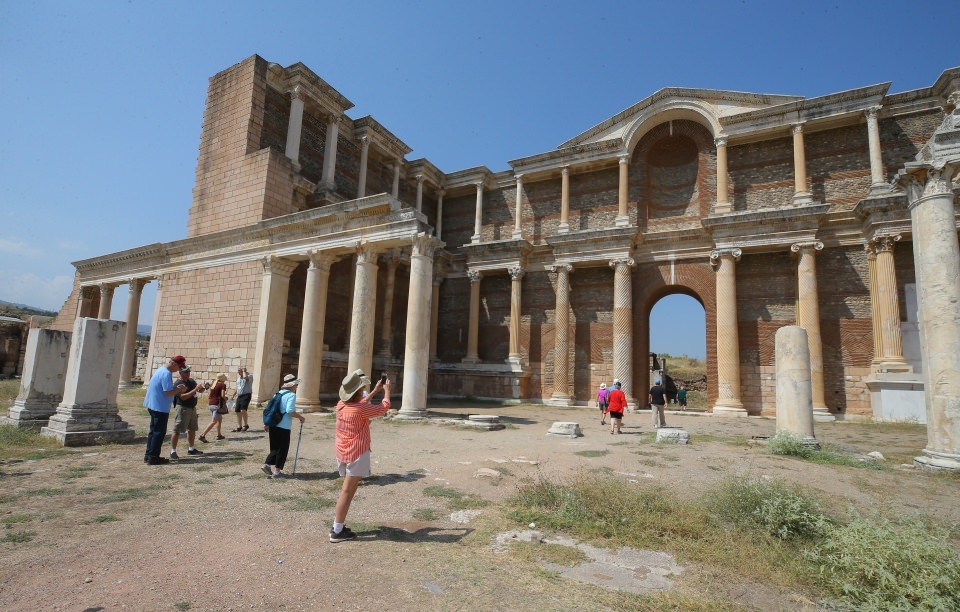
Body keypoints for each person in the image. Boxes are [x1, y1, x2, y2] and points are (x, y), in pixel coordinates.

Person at [330, 369, 390, 543]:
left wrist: (374, 391)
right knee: (347, 491)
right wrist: (386, 391)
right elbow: (383, 408)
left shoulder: (341, 405)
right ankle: (337, 530)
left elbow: (359, 403)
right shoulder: (361, 409)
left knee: (347, 490)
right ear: (358, 392)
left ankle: (338, 526)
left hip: (343, 451)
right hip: (357, 452)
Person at [142, 355, 188, 465]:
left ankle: (148, 455)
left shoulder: (161, 370)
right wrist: (179, 389)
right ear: (174, 364)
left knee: (153, 431)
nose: (179, 370)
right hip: (160, 407)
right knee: (159, 433)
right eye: (179, 367)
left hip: (153, 405)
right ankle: (153, 457)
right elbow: (167, 392)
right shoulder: (167, 373)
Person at [261, 374, 305, 479]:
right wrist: (300, 417)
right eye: (296, 385)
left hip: (273, 424)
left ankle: (268, 466)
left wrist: (267, 423)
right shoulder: (291, 395)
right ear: (292, 386)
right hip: (284, 426)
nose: (297, 387)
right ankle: (276, 471)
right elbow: (290, 411)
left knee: (274, 447)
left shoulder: (278, 393)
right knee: (282, 448)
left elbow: (271, 409)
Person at [170, 366, 205, 459]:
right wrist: (195, 389)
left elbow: (199, 390)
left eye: (189, 371)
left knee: (192, 429)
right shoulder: (178, 383)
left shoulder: (191, 381)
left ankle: (191, 448)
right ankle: (173, 451)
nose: (188, 373)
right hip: (183, 408)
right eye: (186, 372)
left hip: (192, 408)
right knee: (177, 430)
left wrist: (202, 388)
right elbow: (183, 397)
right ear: (180, 373)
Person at [199, 373, 228, 443]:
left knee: (219, 419)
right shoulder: (222, 385)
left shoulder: (213, 384)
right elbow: (222, 395)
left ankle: (219, 434)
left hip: (211, 404)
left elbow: (210, 395)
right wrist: (225, 398)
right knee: (214, 421)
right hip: (217, 405)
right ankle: (202, 435)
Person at [230, 365, 253, 432]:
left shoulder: (249, 376)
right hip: (240, 395)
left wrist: (244, 371)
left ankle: (246, 425)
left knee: (243, 410)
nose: (238, 372)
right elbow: (238, 387)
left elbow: (245, 377)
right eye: (238, 371)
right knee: (237, 410)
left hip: (246, 395)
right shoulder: (239, 378)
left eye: (239, 371)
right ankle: (239, 426)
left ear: (243, 370)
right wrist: (233, 395)